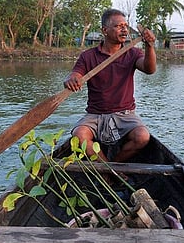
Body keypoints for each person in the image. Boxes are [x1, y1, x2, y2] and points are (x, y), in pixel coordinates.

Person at [64, 8, 157, 162]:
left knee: (142, 137)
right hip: (95, 115)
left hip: (125, 114)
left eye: (125, 26)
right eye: (118, 26)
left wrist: (150, 46)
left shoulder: (133, 53)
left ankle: (110, 168)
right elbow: (76, 74)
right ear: (105, 30)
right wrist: (71, 80)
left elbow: (149, 69)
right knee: (79, 136)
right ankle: (110, 173)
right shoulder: (88, 56)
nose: (124, 29)